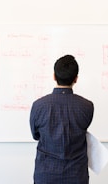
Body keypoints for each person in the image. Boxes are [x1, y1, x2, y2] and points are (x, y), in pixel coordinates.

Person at [30, 55, 94, 184]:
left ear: (54, 76)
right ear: (76, 79)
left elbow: (36, 135)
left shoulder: (39, 105)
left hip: (46, 174)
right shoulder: (87, 106)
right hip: (76, 175)